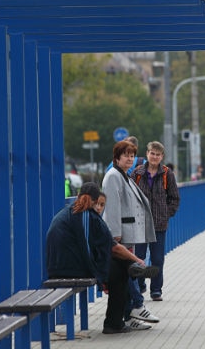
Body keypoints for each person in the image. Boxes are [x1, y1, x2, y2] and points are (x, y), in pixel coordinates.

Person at [46, 182, 157, 334]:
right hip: (70, 269)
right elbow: (114, 247)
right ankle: (116, 321)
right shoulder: (88, 216)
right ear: (95, 199)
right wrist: (137, 259)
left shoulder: (67, 212)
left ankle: (133, 278)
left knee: (119, 266)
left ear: (78, 196)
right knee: (120, 272)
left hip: (58, 266)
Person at [102, 141, 159, 332]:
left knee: (128, 274)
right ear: (116, 157)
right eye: (125, 155)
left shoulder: (123, 176)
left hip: (128, 234)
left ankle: (130, 314)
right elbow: (112, 207)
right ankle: (135, 308)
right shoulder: (113, 177)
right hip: (121, 236)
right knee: (127, 274)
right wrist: (115, 234)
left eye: (132, 155)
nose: (129, 158)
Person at [131, 141, 180, 302]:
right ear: (147, 154)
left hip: (159, 224)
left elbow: (174, 197)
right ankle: (139, 285)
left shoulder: (167, 174)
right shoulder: (137, 173)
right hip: (140, 223)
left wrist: (167, 213)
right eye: (152, 153)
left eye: (158, 155)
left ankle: (156, 289)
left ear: (162, 157)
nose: (154, 157)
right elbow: (129, 196)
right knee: (138, 257)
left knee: (158, 258)